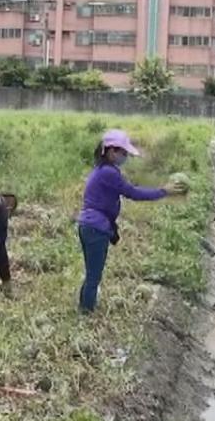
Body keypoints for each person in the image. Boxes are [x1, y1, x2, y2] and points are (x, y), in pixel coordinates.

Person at [76, 129, 187, 313]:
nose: (125, 157)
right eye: (124, 153)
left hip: (88, 225)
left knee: (91, 273)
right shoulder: (109, 173)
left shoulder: (102, 170)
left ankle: (84, 306)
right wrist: (163, 191)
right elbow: (134, 193)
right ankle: (86, 313)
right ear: (112, 151)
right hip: (96, 228)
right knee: (94, 276)